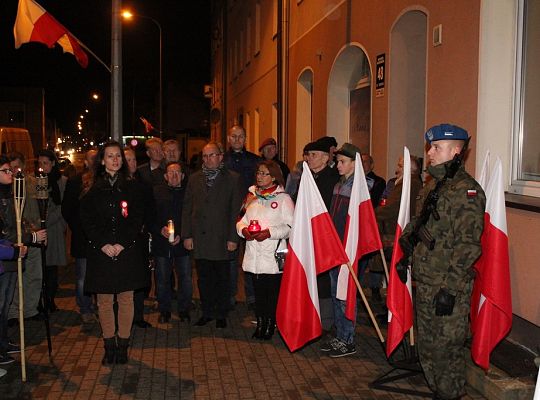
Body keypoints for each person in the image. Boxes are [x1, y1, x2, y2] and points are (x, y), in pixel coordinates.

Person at [399, 124, 485, 400]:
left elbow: (468, 245)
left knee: (446, 349)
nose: (430, 152)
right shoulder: (434, 185)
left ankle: (450, 394)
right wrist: (406, 248)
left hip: (447, 286)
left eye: (437, 147)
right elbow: (420, 225)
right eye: (431, 147)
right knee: (426, 346)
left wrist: (450, 288)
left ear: (456, 151)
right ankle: (439, 391)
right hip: (425, 280)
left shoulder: (466, 191)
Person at [80, 142, 147, 365]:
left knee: (126, 298)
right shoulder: (92, 187)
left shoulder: (132, 186)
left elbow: (137, 218)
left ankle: (123, 345)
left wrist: (122, 243)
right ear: (102, 160)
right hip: (102, 252)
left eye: (118, 156)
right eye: (110, 156)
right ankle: (109, 345)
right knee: (105, 301)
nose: (115, 160)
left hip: (126, 250)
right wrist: (102, 244)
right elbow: (87, 221)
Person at [182, 141, 242, 329]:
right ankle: (207, 311)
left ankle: (221, 313)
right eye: (205, 156)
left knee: (223, 278)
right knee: (204, 278)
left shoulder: (233, 178)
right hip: (200, 238)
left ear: (220, 156)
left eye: (212, 155)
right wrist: (187, 235)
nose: (208, 159)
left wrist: (233, 237)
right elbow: (187, 208)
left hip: (222, 238)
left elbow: (236, 211)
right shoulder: (194, 178)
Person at [237, 160, 294, 340]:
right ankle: (260, 323)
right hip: (254, 253)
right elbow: (240, 220)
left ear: (274, 176)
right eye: (258, 173)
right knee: (258, 292)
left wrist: (270, 232)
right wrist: (243, 230)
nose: (259, 177)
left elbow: (291, 227)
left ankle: (270, 324)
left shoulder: (283, 198)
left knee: (272, 293)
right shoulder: (252, 196)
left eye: (264, 174)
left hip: (273, 254)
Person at [322, 143, 361, 357]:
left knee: (346, 293)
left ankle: (348, 338)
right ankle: (339, 334)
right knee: (336, 291)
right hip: (334, 246)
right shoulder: (339, 185)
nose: (337, 165)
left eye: (342, 162)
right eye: (337, 161)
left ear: (354, 164)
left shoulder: (360, 187)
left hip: (348, 247)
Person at [223, 125, 260, 310]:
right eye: (234, 136)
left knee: (251, 256)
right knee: (230, 258)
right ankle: (230, 296)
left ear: (245, 139)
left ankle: (252, 296)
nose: (237, 140)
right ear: (229, 138)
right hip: (229, 216)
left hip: (251, 215)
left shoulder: (254, 161)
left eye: (241, 137)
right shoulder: (222, 160)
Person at [7, 152, 47, 324]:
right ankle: (14, 312)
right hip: (17, 237)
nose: (15, 171)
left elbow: (43, 205)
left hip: (35, 236)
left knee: (34, 274)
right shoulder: (7, 186)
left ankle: (30, 309)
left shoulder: (33, 183)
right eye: (11, 168)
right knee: (16, 277)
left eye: (17, 166)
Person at [305, 138, 340, 332]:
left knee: (324, 278)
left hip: (324, 234)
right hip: (309, 233)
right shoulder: (308, 177)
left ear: (326, 158)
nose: (309, 159)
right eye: (309, 155)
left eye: (314, 155)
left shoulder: (332, 179)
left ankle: (326, 320)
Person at [151, 161, 192, 323]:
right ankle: (164, 310)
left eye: (177, 173)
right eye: (171, 173)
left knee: (185, 279)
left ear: (182, 176)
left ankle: (184, 309)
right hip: (161, 244)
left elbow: (192, 216)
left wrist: (182, 234)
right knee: (162, 279)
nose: (174, 176)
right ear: (165, 176)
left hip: (182, 244)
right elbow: (149, 216)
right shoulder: (156, 192)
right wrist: (159, 229)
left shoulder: (189, 193)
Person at [61, 149, 98, 324]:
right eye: (92, 158)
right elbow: (67, 209)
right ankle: (85, 307)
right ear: (85, 161)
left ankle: (99, 306)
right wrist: (79, 227)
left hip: (99, 238)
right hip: (82, 237)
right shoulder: (75, 182)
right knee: (83, 275)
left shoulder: (104, 180)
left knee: (100, 274)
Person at [0, 156, 29, 367]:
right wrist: (14, 247)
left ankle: (3, 342)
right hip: (6, 253)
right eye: (5, 170)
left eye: (10, 170)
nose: (10, 174)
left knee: (5, 303)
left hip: (10, 254)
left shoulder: (10, 196)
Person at [124, 147, 153, 329]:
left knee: (140, 278)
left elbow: (151, 210)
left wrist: (145, 226)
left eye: (134, 160)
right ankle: (123, 317)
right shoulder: (116, 185)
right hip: (123, 240)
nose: (132, 163)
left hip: (140, 239)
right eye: (128, 160)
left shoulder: (144, 185)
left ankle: (138, 316)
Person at [37, 149, 68, 312]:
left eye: (46, 163)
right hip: (40, 228)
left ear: (53, 163)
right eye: (40, 163)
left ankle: (50, 299)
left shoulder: (62, 181)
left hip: (54, 229)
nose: (42, 166)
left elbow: (64, 205)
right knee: (40, 267)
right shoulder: (36, 181)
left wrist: (49, 219)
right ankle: (40, 300)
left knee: (52, 268)